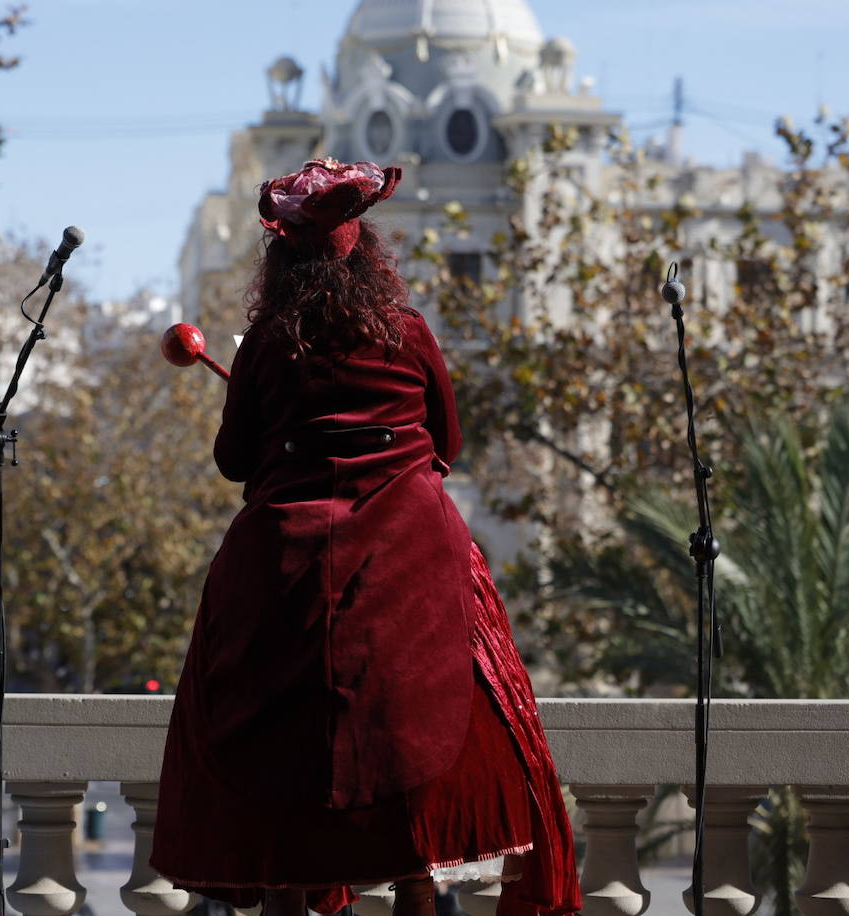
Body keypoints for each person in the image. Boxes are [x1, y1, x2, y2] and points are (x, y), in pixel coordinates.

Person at [150, 159, 580, 916]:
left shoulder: (266, 343)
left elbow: (233, 462)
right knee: (413, 857)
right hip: (414, 558)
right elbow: (444, 441)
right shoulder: (409, 332)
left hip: (279, 566)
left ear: (281, 262)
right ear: (368, 255)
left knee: (278, 820)